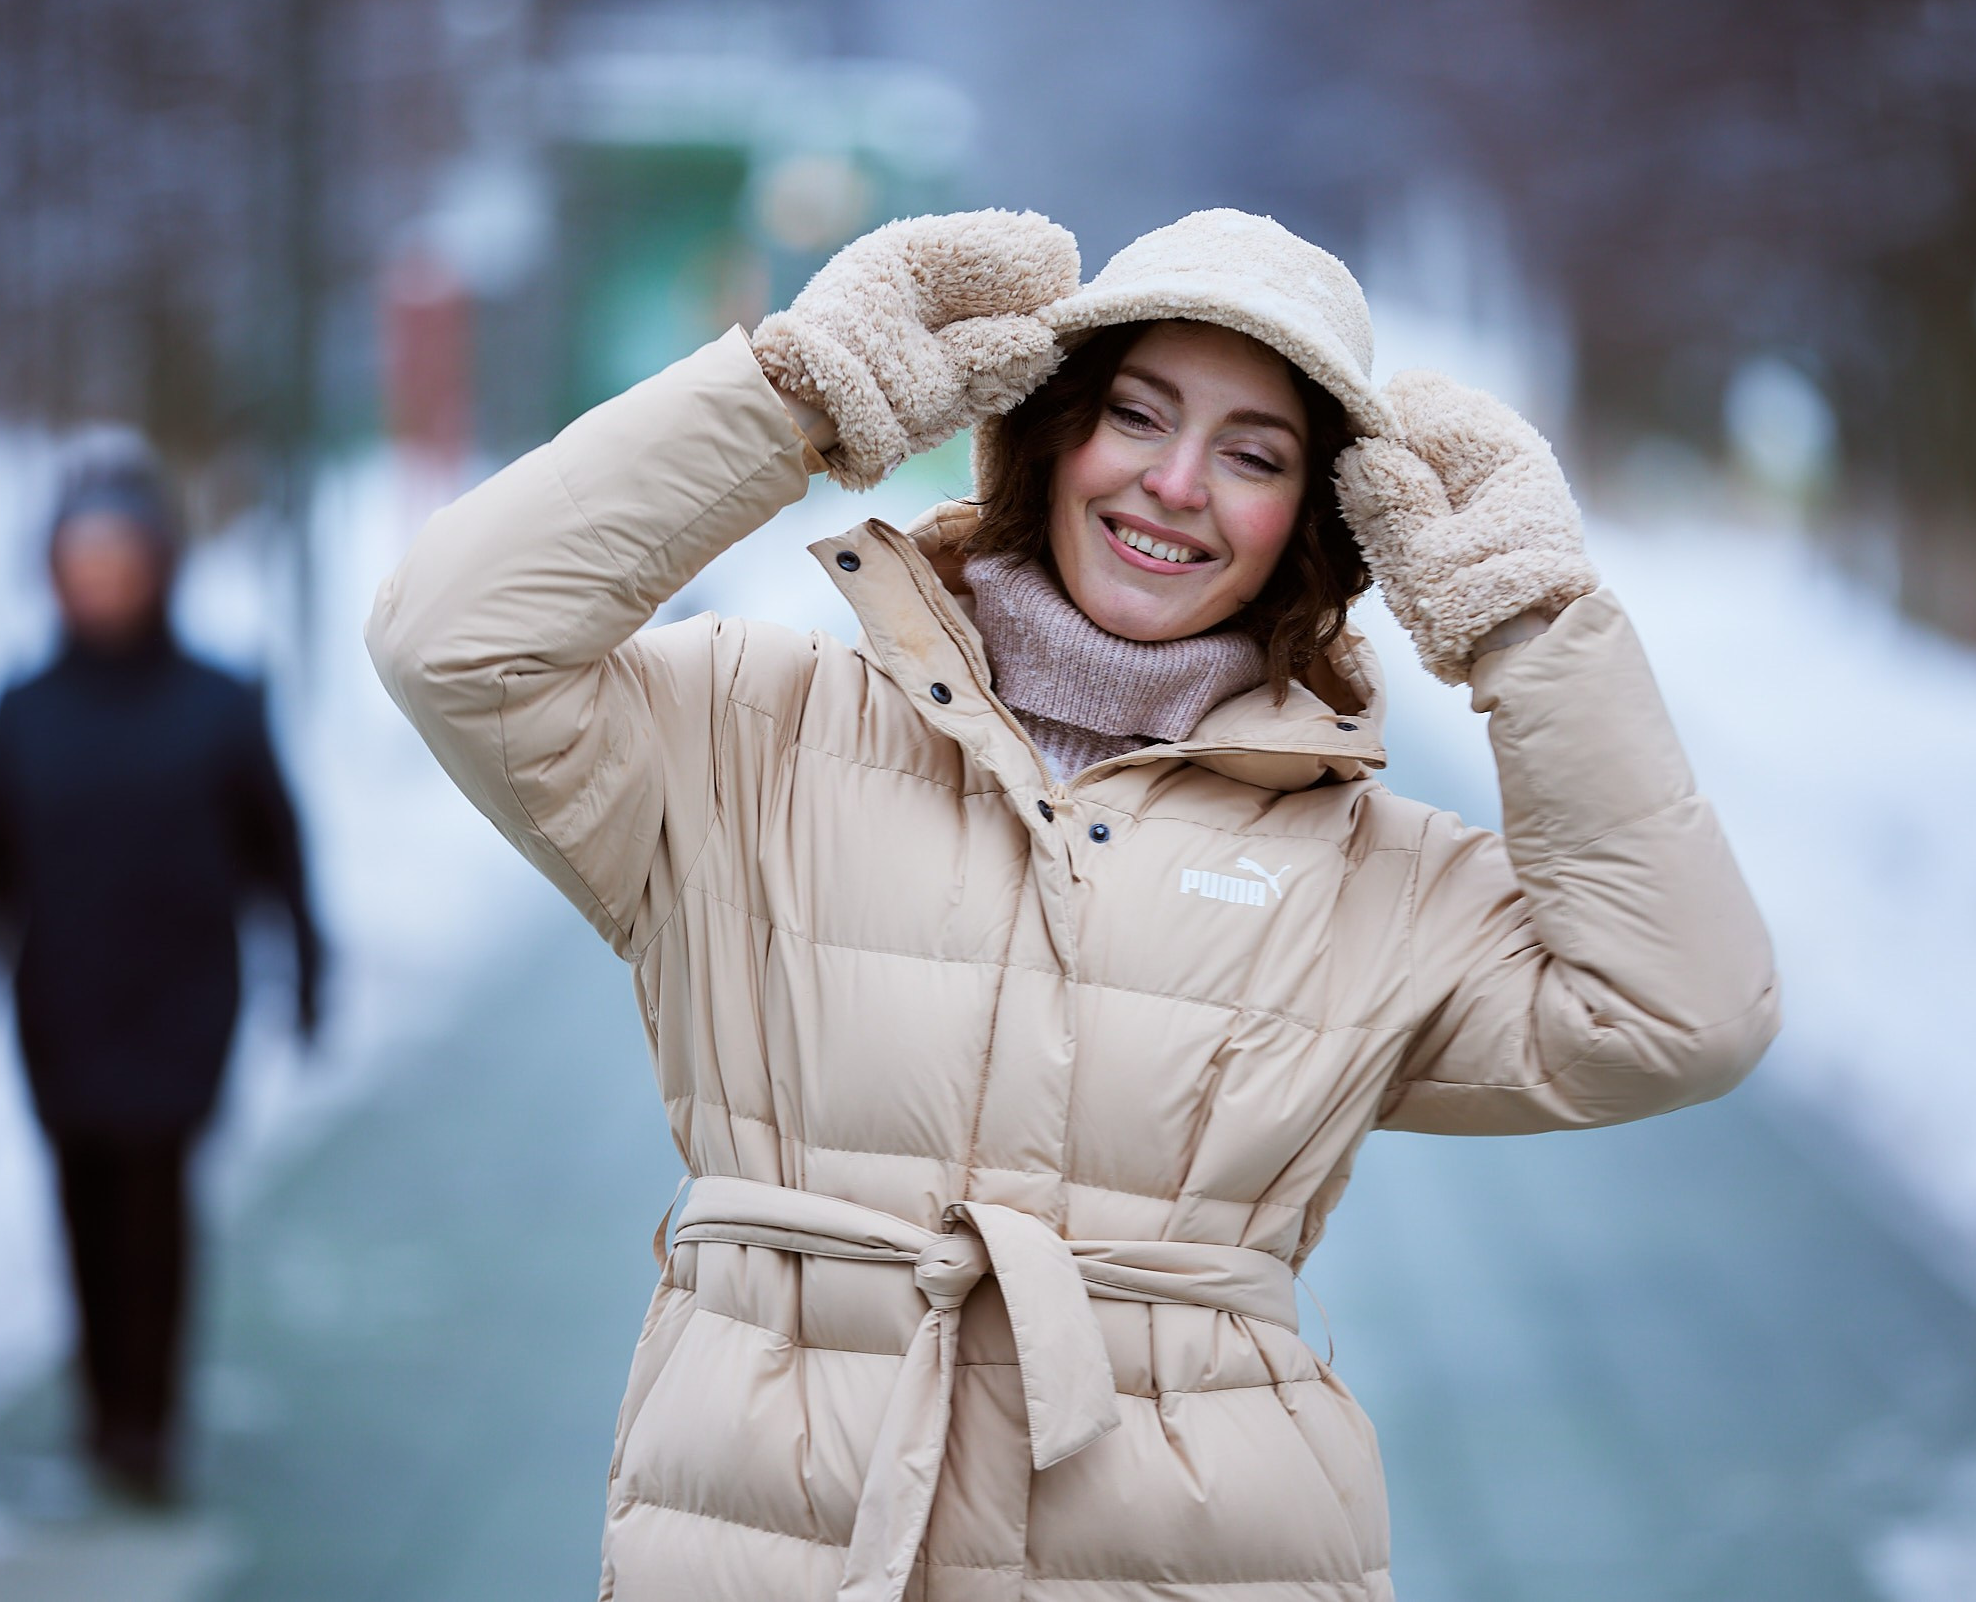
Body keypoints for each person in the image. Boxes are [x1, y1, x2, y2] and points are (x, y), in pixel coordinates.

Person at [367, 209, 1779, 1600]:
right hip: (764, 1537)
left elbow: (1682, 1011)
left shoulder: (1377, 873)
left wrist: (1527, 623)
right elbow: (453, 638)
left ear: (1318, 523)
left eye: (1254, 454)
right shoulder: (754, 727)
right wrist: (794, 395)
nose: (1175, 484)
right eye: (1137, 414)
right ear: (1049, 435)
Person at [0, 455, 322, 1503]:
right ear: (53, 572)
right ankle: (103, 1408)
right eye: (80, 561)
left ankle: (149, 1420)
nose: (99, 579)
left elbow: (279, 849)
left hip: (185, 1009)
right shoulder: (23, 711)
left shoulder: (219, 703)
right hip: (59, 1010)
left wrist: (310, 966)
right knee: (83, 1209)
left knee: (156, 1207)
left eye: (118, 559)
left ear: (159, 566)